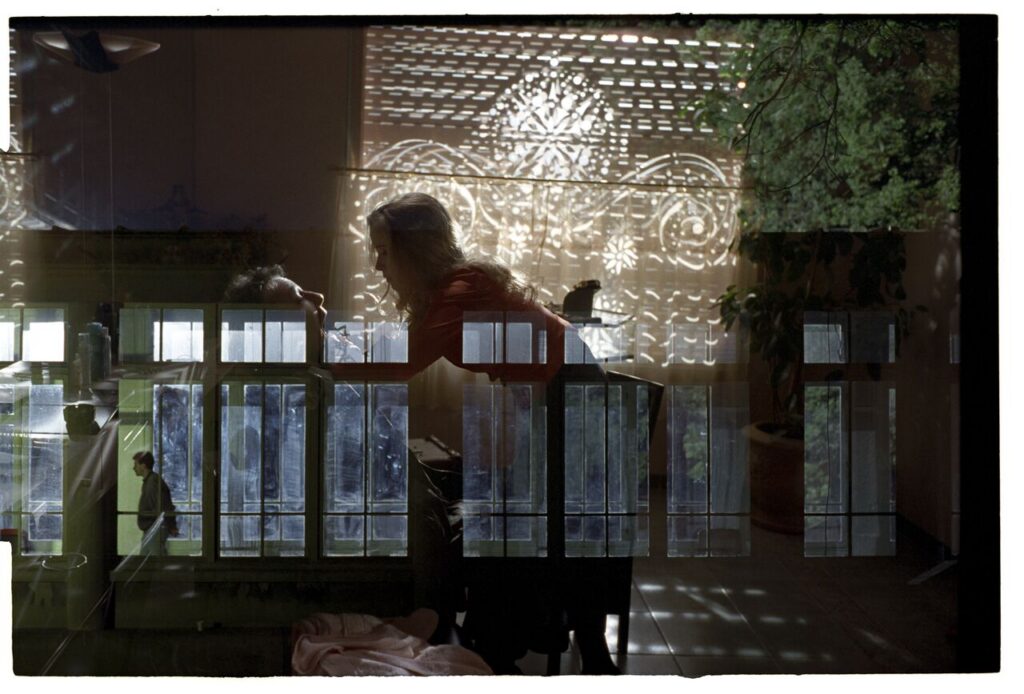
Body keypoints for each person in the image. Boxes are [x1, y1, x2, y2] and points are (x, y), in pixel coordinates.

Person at [366, 192, 618, 675]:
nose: (378, 264)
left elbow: (396, 364)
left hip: (569, 386)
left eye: (383, 250)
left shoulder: (461, 289)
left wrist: (310, 359)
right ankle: (524, 642)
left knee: (547, 520)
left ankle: (529, 646)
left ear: (412, 249)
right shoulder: (456, 288)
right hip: (562, 381)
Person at [132, 451, 178, 556]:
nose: (134, 468)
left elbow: (164, 505)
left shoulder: (152, 482)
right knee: (149, 561)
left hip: (154, 528)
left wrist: (171, 525)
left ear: (143, 466)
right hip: (152, 528)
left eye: (136, 464)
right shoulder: (150, 481)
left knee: (152, 562)